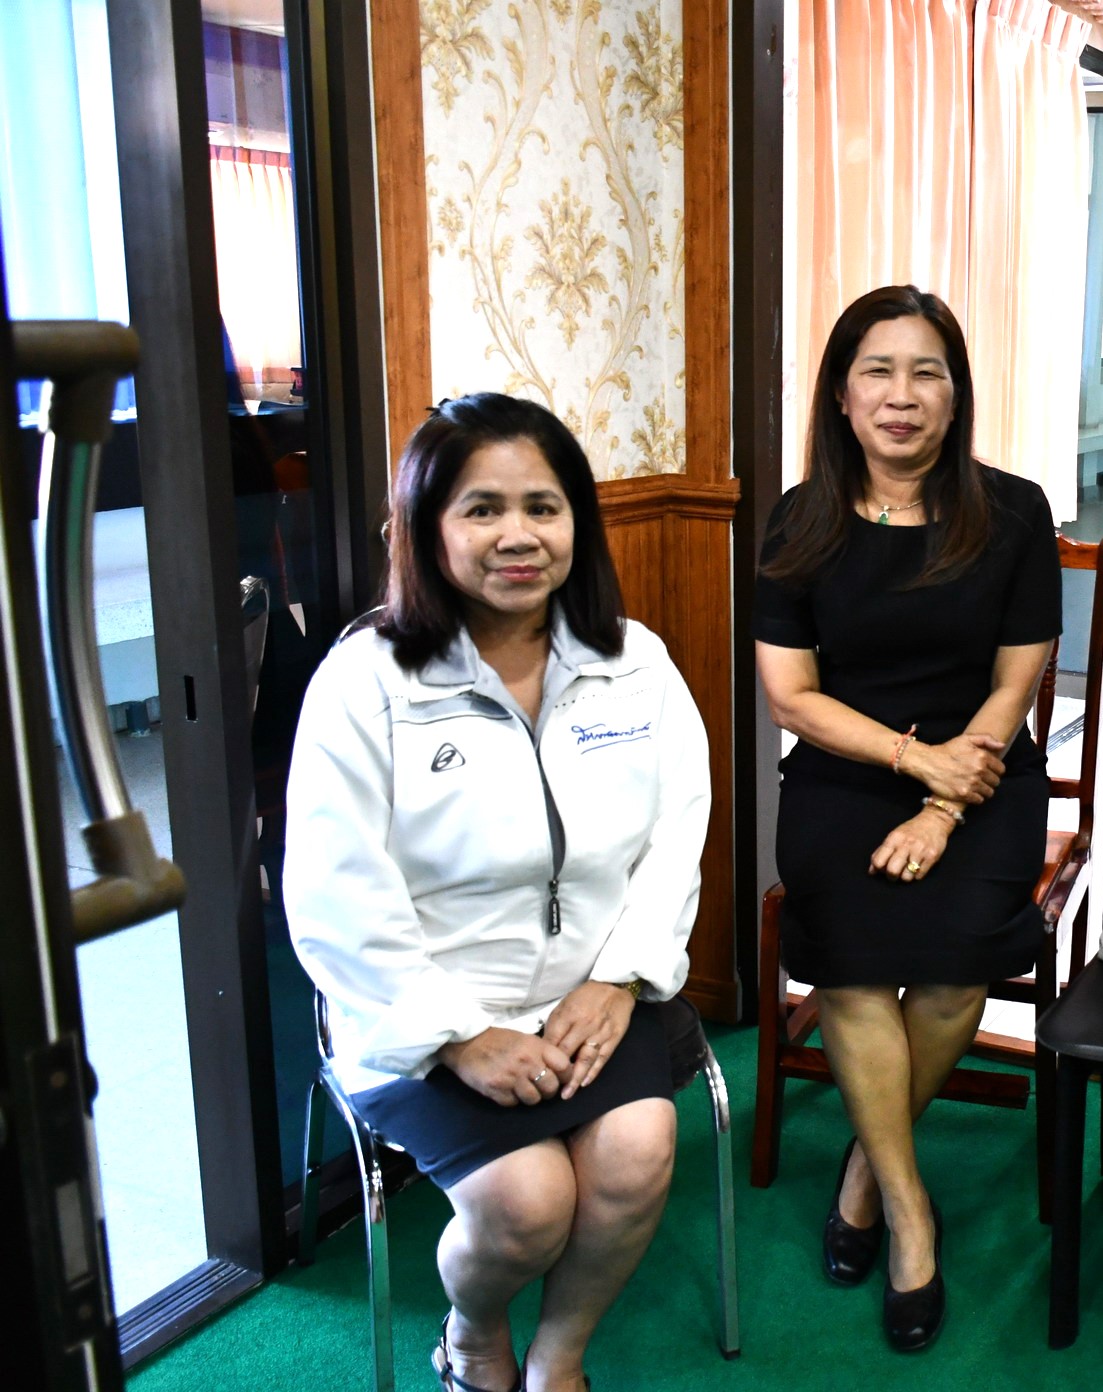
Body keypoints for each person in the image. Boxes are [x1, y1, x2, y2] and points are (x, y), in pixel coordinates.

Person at [283, 394, 709, 1392]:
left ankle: (559, 1358)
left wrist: (620, 978)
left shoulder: (634, 662)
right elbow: (335, 887)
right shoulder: (366, 682)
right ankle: (474, 1336)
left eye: (542, 507)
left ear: (577, 524)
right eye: (482, 509)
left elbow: (677, 831)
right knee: (527, 1202)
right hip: (421, 1010)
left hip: (590, 996)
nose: (518, 536)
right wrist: (456, 1035)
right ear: (427, 529)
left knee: (639, 1150)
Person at [753, 285, 1060, 1352]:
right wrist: (911, 762)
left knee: (954, 964)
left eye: (927, 372)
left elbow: (1018, 681)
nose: (902, 394)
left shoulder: (1014, 513)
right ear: (841, 395)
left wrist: (943, 801)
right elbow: (791, 696)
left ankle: (862, 1171)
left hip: (983, 771)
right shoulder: (800, 520)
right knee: (847, 966)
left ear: (956, 394)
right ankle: (907, 1204)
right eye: (877, 371)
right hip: (845, 773)